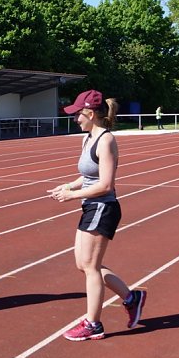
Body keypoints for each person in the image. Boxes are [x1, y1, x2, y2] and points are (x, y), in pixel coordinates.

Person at [49, 89, 146, 341]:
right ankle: (131, 298)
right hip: (91, 206)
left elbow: (105, 184)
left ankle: (93, 324)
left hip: (103, 207)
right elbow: (88, 175)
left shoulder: (106, 140)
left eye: (77, 115)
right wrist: (68, 186)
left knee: (90, 266)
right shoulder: (87, 139)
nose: (75, 119)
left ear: (90, 114)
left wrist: (71, 196)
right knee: (82, 264)